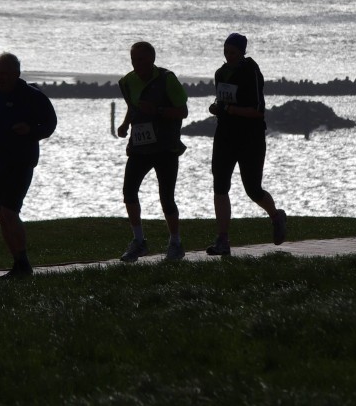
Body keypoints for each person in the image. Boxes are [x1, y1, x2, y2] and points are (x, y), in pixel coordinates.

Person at [0, 52, 58, 279]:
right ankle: (18, 263)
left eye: (7, 74)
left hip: (21, 162)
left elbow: (49, 124)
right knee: (1, 212)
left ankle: (24, 264)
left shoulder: (33, 97)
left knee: (10, 209)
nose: (2, 78)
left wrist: (31, 130)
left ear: (17, 74)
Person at [206, 32, 286, 256]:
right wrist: (217, 108)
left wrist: (229, 110)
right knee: (220, 185)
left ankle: (276, 216)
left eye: (233, 52)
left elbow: (257, 111)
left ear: (242, 52)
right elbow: (222, 101)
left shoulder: (251, 71)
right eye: (226, 51)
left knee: (252, 189)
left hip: (250, 138)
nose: (229, 55)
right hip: (224, 135)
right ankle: (222, 239)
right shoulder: (220, 73)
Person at [115, 41, 190, 262]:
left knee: (166, 197)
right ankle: (139, 241)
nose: (138, 64)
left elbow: (183, 111)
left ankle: (175, 243)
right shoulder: (128, 82)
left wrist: (158, 110)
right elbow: (133, 106)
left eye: (142, 60)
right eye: (134, 60)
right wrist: (125, 124)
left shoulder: (167, 79)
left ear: (152, 59)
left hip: (165, 146)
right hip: (140, 145)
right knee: (129, 191)